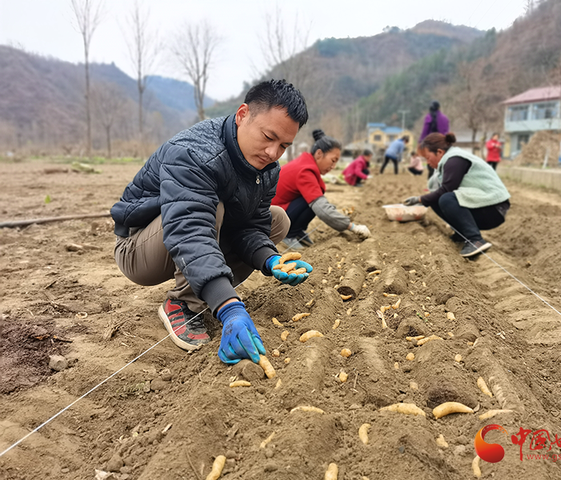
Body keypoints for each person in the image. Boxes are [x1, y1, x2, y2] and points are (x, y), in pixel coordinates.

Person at [111, 79, 313, 364]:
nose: (273, 153)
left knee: (277, 219)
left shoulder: (267, 169)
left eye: (283, 146)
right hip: (140, 247)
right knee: (212, 207)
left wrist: (270, 259)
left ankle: (205, 287)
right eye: (268, 137)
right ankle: (183, 303)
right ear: (243, 115)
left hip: (190, 231)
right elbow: (190, 230)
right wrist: (229, 307)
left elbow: (252, 226)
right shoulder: (193, 152)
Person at [404, 132, 510, 258]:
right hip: (484, 205)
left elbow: (446, 189)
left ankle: (475, 240)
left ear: (439, 152)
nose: (428, 162)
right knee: (436, 199)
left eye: (427, 157)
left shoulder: (455, 159)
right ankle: (461, 234)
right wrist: (425, 199)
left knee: (446, 198)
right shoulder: (449, 159)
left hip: (494, 209)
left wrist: (420, 199)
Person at [272, 129, 371, 249]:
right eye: (333, 161)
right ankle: (289, 234)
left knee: (314, 199)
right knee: (315, 202)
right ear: (319, 154)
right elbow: (322, 209)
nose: (333, 166)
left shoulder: (306, 164)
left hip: (280, 210)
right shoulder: (305, 171)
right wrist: (352, 227)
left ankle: (296, 231)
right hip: (272, 217)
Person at [419, 101, 449, 178]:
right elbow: (446, 132)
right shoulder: (445, 118)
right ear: (439, 108)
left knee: (431, 168)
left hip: (431, 145)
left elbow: (425, 131)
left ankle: (432, 186)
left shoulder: (428, 117)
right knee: (442, 167)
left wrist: (420, 142)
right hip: (443, 145)